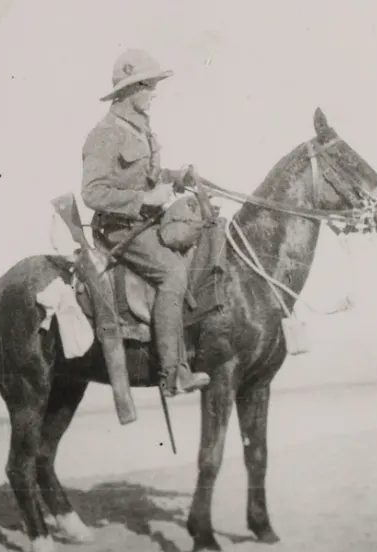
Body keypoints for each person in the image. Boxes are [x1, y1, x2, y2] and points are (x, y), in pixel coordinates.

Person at [80, 48, 210, 397]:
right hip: (119, 228)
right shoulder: (105, 133)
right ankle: (173, 374)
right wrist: (143, 200)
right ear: (131, 89)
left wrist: (177, 176)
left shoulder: (141, 130)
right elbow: (92, 193)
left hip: (144, 222)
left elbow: (148, 176)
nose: (154, 93)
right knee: (172, 272)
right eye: (149, 86)